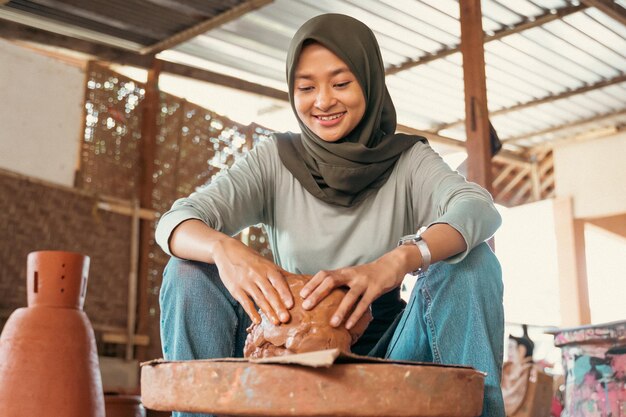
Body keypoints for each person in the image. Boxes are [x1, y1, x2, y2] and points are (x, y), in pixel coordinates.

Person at [156, 13, 505, 417]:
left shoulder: (408, 160)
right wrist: (222, 250)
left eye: (341, 83)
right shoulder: (275, 160)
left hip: (389, 363)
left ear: (369, 83)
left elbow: (478, 208)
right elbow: (175, 221)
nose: (323, 101)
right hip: (285, 367)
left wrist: (398, 261)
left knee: (473, 262)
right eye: (307, 87)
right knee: (186, 272)